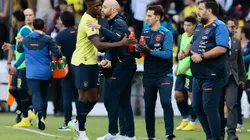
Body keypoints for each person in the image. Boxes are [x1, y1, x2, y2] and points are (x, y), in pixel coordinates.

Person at [67, 0, 135, 139]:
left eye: (102, 6)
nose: (100, 9)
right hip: (81, 62)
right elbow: (99, 45)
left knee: (94, 97)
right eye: (98, 6)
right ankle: (81, 131)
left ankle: (77, 120)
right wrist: (121, 43)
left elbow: (103, 38)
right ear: (89, 6)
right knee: (84, 96)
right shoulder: (88, 21)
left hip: (92, 62)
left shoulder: (96, 18)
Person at [178, 0, 229, 140]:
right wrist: (184, 52)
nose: (198, 11)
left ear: (209, 11)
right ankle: (210, 136)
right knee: (197, 107)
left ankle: (215, 137)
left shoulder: (220, 26)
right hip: (197, 75)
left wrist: (202, 56)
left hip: (212, 75)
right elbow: (192, 43)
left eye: (200, 9)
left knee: (209, 108)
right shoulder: (200, 26)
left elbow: (222, 48)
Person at [87, 0, 136, 139]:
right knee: (122, 101)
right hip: (119, 64)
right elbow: (110, 42)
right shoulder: (112, 22)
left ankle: (114, 133)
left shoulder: (118, 22)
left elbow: (117, 38)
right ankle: (128, 135)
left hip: (124, 65)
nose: (102, 9)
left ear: (114, 10)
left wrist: (99, 28)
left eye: (105, 7)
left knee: (112, 99)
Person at [136, 5, 175, 140]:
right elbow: (139, 55)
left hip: (164, 74)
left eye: (150, 15)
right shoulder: (145, 33)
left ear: (157, 17)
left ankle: (169, 134)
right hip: (149, 76)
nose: (147, 18)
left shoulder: (166, 33)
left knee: (165, 101)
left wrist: (150, 51)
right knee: (149, 107)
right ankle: (150, 137)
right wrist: (134, 49)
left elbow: (168, 54)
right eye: (147, 15)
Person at [16, 18, 62, 130]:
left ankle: (38, 112)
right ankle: (42, 118)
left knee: (36, 94)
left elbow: (19, 49)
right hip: (45, 71)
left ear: (33, 27)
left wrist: (19, 41)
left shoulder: (26, 39)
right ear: (44, 27)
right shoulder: (48, 39)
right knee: (44, 95)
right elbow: (58, 53)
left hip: (31, 73)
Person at [2, 11, 34, 128]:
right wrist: (11, 46)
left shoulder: (25, 30)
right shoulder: (21, 30)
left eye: (12, 18)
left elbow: (27, 50)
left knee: (22, 91)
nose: (11, 21)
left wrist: (16, 64)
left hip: (24, 66)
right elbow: (21, 47)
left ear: (16, 19)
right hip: (20, 66)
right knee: (15, 89)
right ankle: (26, 111)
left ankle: (26, 116)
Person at [219, 19, 246, 140]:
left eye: (233, 26)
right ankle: (219, 133)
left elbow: (240, 61)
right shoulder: (217, 41)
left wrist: (242, 78)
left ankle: (231, 133)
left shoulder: (236, 41)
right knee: (218, 106)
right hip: (218, 77)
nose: (232, 28)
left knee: (232, 105)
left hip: (233, 78)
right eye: (229, 26)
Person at [55, 11, 78, 131]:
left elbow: (56, 54)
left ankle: (67, 122)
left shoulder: (60, 36)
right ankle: (80, 120)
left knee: (67, 97)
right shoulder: (79, 34)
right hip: (79, 68)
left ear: (63, 21)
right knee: (80, 96)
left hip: (65, 70)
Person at [175, 16, 197, 131]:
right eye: (184, 25)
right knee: (178, 95)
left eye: (188, 25)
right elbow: (181, 52)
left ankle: (193, 122)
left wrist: (187, 66)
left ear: (194, 26)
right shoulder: (183, 36)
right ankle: (184, 120)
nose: (186, 27)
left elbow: (195, 55)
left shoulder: (197, 37)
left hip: (191, 72)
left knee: (192, 97)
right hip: (181, 71)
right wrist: (178, 66)